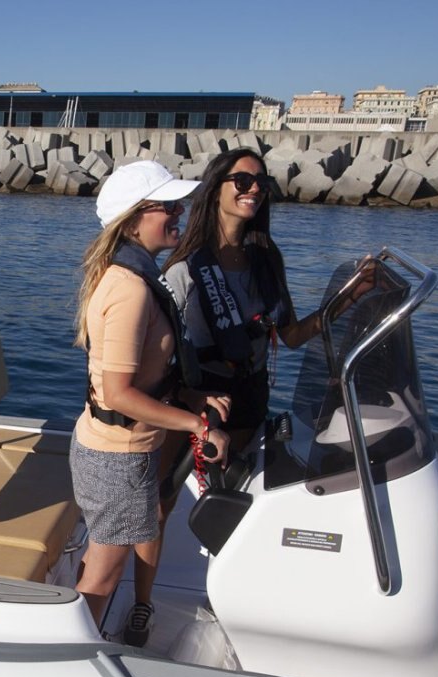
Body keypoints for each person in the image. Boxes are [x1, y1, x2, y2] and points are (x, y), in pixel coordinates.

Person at [71, 161, 230, 643]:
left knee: (103, 560)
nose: (180, 213)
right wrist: (198, 426)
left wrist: (192, 397)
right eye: (168, 206)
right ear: (134, 219)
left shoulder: (131, 275)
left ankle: (83, 636)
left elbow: (143, 375)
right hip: (117, 458)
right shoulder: (131, 289)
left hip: (122, 451)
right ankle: (72, 654)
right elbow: (119, 394)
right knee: (102, 577)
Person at [163, 149, 326, 455]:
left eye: (262, 183)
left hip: (249, 398)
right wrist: (185, 395)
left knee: (234, 479)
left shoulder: (267, 260)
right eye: (242, 181)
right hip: (196, 401)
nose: (254, 189)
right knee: (170, 482)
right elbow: (157, 354)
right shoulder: (184, 268)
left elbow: (292, 336)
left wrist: (348, 297)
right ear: (215, 190)